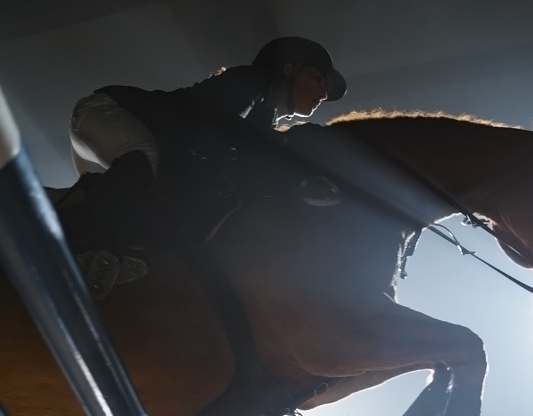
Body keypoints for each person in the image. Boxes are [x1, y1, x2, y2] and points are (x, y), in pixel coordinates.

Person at [53, 36, 347, 297]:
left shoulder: (262, 116)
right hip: (107, 111)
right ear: (289, 68)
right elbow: (211, 133)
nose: (323, 94)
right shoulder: (249, 82)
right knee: (143, 156)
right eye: (320, 80)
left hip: (137, 147)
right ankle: (89, 250)